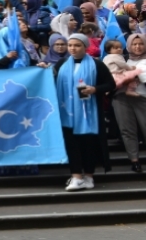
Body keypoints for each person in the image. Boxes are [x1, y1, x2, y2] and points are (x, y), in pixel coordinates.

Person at [50, 33, 114, 191]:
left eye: (77, 45)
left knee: (89, 145)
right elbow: (50, 81)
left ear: (85, 47)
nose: (73, 48)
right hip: (67, 112)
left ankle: (89, 176)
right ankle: (76, 176)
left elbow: (110, 84)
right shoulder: (62, 64)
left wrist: (95, 89)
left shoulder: (97, 64)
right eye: (70, 45)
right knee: (72, 144)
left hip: (89, 113)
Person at [115, 34, 146, 173]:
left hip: (142, 97)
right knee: (127, 130)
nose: (137, 47)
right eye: (134, 44)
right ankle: (134, 160)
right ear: (128, 46)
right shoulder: (121, 60)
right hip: (121, 98)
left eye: (141, 44)